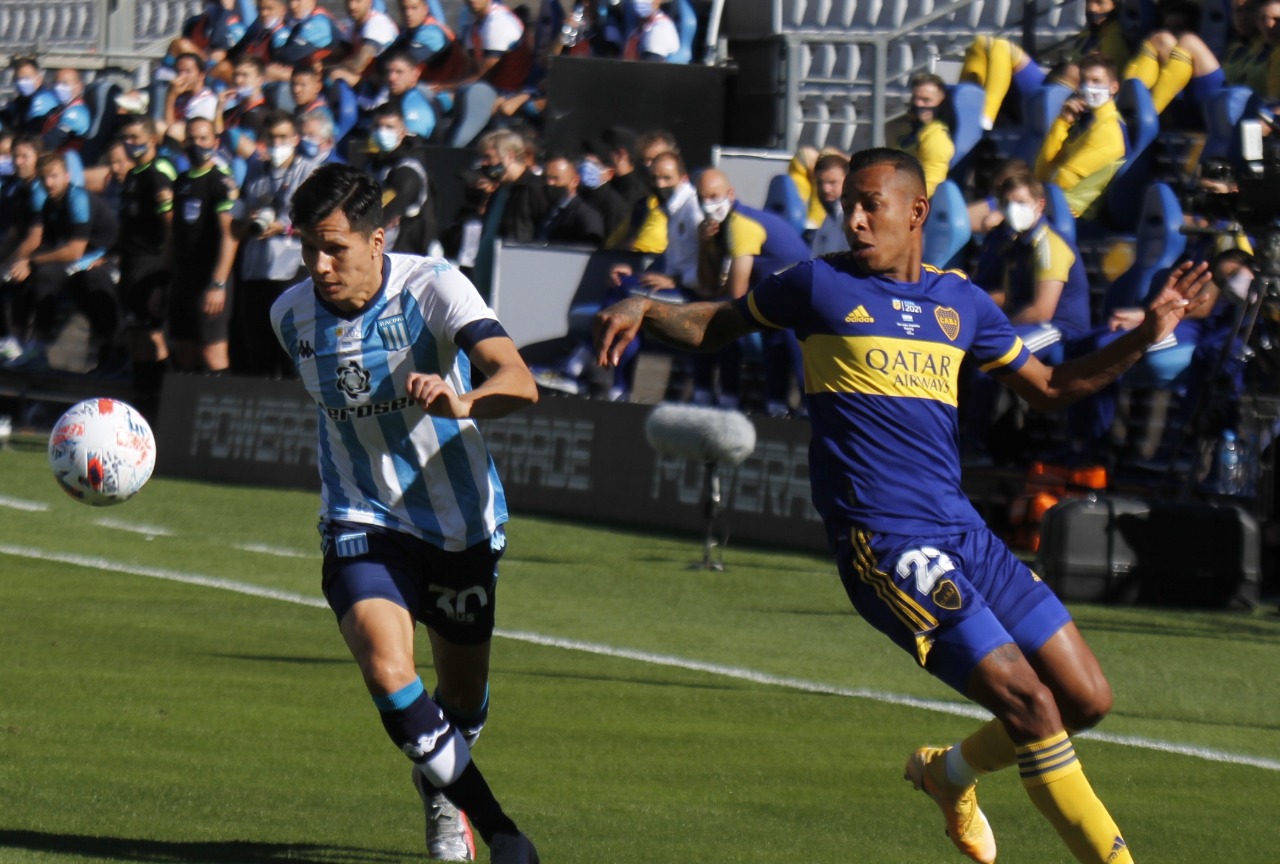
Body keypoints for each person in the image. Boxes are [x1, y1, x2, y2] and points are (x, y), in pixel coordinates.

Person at [593, 148, 1212, 864]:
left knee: (1084, 700)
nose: (852, 219)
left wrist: (1146, 334)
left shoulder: (962, 304)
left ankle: (948, 774)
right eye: (845, 204)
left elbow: (1049, 387)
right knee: (1031, 705)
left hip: (963, 532)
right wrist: (646, 306)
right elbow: (715, 324)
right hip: (885, 542)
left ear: (917, 212)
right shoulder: (818, 286)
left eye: (869, 205)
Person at [268, 162, 540, 864]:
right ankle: (498, 828)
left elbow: (520, 381)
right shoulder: (289, 314)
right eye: (308, 249)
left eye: (336, 248)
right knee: (390, 672)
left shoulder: (433, 285)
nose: (320, 266)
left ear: (379, 239)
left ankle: (443, 786)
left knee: (462, 702)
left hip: (460, 524)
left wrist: (466, 402)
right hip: (362, 517)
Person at [691, 168, 811, 414]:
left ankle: (729, 398)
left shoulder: (741, 224)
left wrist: (714, 299)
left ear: (731, 194)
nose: (708, 204)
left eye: (714, 196)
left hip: (797, 299)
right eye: (702, 198)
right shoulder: (718, 227)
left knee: (723, 317)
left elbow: (735, 291)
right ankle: (768, 404)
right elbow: (708, 284)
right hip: (775, 298)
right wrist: (704, 246)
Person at [4, 152, 118, 370]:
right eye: (44, 178)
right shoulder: (48, 202)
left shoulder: (77, 199)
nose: (49, 183)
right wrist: (21, 263)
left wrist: (33, 260)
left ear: (66, 175)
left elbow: (75, 251)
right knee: (18, 274)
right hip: (78, 256)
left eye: (54, 176)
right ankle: (16, 341)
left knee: (46, 274)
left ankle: (39, 343)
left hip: (102, 255)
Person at [232, 110, 318, 376]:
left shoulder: (309, 171)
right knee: (258, 353)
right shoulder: (255, 172)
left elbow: (320, 222)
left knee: (292, 352)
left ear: (295, 138)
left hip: (291, 271)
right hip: (255, 272)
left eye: (283, 137)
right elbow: (237, 222)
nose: (277, 144)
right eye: (271, 138)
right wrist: (248, 221)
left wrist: (285, 227)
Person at [167, 116, 240, 373]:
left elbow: (230, 235)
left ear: (215, 142)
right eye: (192, 138)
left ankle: (219, 410)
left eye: (203, 138)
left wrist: (218, 283)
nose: (197, 144)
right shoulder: (181, 181)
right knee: (183, 349)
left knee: (213, 353)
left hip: (209, 278)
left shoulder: (221, 182)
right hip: (182, 278)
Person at [118, 115, 178, 401]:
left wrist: (162, 276)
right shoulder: (133, 174)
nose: (130, 144)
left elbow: (170, 227)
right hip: (131, 264)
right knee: (135, 335)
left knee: (153, 335)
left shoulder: (158, 173)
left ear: (151, 139)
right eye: (126, 138)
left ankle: (159, 400)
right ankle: (141, 397)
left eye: (135, 138)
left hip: (150, 264)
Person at [1035, 53, 1126, 221]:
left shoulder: (1108, 130)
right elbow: (1042, 168)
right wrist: (1062, 122)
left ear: (1113, 87)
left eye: (1096, 81)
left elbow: (1062, 180)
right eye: (1084, 80)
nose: (1088, 87)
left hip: (1073, 214)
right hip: (1056, 205)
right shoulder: (1084, 121)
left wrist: (1033, 194)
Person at [365, 105, 438, 253]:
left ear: (403, 132)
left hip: (406, 247)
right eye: (377, 126)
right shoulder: (373, 162)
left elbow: (390, 204)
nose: (382, 132)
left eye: (389, 127)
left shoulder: (407, 168)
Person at [475, 128, 547, 244]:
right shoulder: (499, 191)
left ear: (509, 156)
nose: (484, 163)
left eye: (488, 157)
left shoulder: (534, 188)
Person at [895, 73, 954, 199]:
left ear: (941, 103)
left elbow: (931, 185)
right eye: (915, 98)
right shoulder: (914, 132)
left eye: (926, 100)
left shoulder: (936, 137)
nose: (918, 104)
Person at [537, 154, 604, 246]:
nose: (549, 183)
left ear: (575, 181)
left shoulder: (586, 216)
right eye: (545, 178)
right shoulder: (546, 209)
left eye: (555, 178)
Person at [41, 68, 92, 154]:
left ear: (79, 86)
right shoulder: (58, 109)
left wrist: (33, 146)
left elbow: (52, 141)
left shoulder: (78, 112)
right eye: (57, 83)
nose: (59, 87)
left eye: (64, 83)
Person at [809, 151, 850, 257]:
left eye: (833, 183)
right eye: (819, 183)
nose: (825, 189)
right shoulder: (827, 223)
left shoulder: (852, 221)